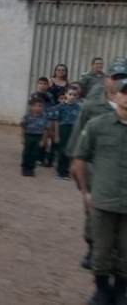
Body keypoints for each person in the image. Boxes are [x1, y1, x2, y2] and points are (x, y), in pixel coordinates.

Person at [68, 58, 127, 270]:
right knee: (93, 211)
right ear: (107, 79)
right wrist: (75, 168)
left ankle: (115, 256)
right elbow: (78, 138)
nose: (119, 81)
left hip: (117, 167)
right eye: (116, 77)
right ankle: (93, 247)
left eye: (123, 77)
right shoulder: (93, 102)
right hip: (94, 166)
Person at [51, 88, 80, 179]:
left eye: (75, 95)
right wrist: (56, 135)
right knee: (62, 150)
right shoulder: (60, 107)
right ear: (66, 95)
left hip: (73, 130)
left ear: (77, 96)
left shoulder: (79, 108)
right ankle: (60, 172)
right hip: (63, 129)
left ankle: (66, 170)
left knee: (69, 150)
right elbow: (56, 121)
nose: (72, 97)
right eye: (70, 94)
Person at [20, 97, 50, 177]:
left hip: (38, 137)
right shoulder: (27, 116)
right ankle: (25, 167)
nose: (37, 108)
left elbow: (45, 130)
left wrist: (43, 140)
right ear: (31, 106)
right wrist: (22, 137)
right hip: (28, 136)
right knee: (26, 152)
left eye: (40, 106)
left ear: (43, 107)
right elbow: (23, 127)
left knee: (34, 153)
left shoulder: (44, 117)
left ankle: (31, 168)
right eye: (35, 106)